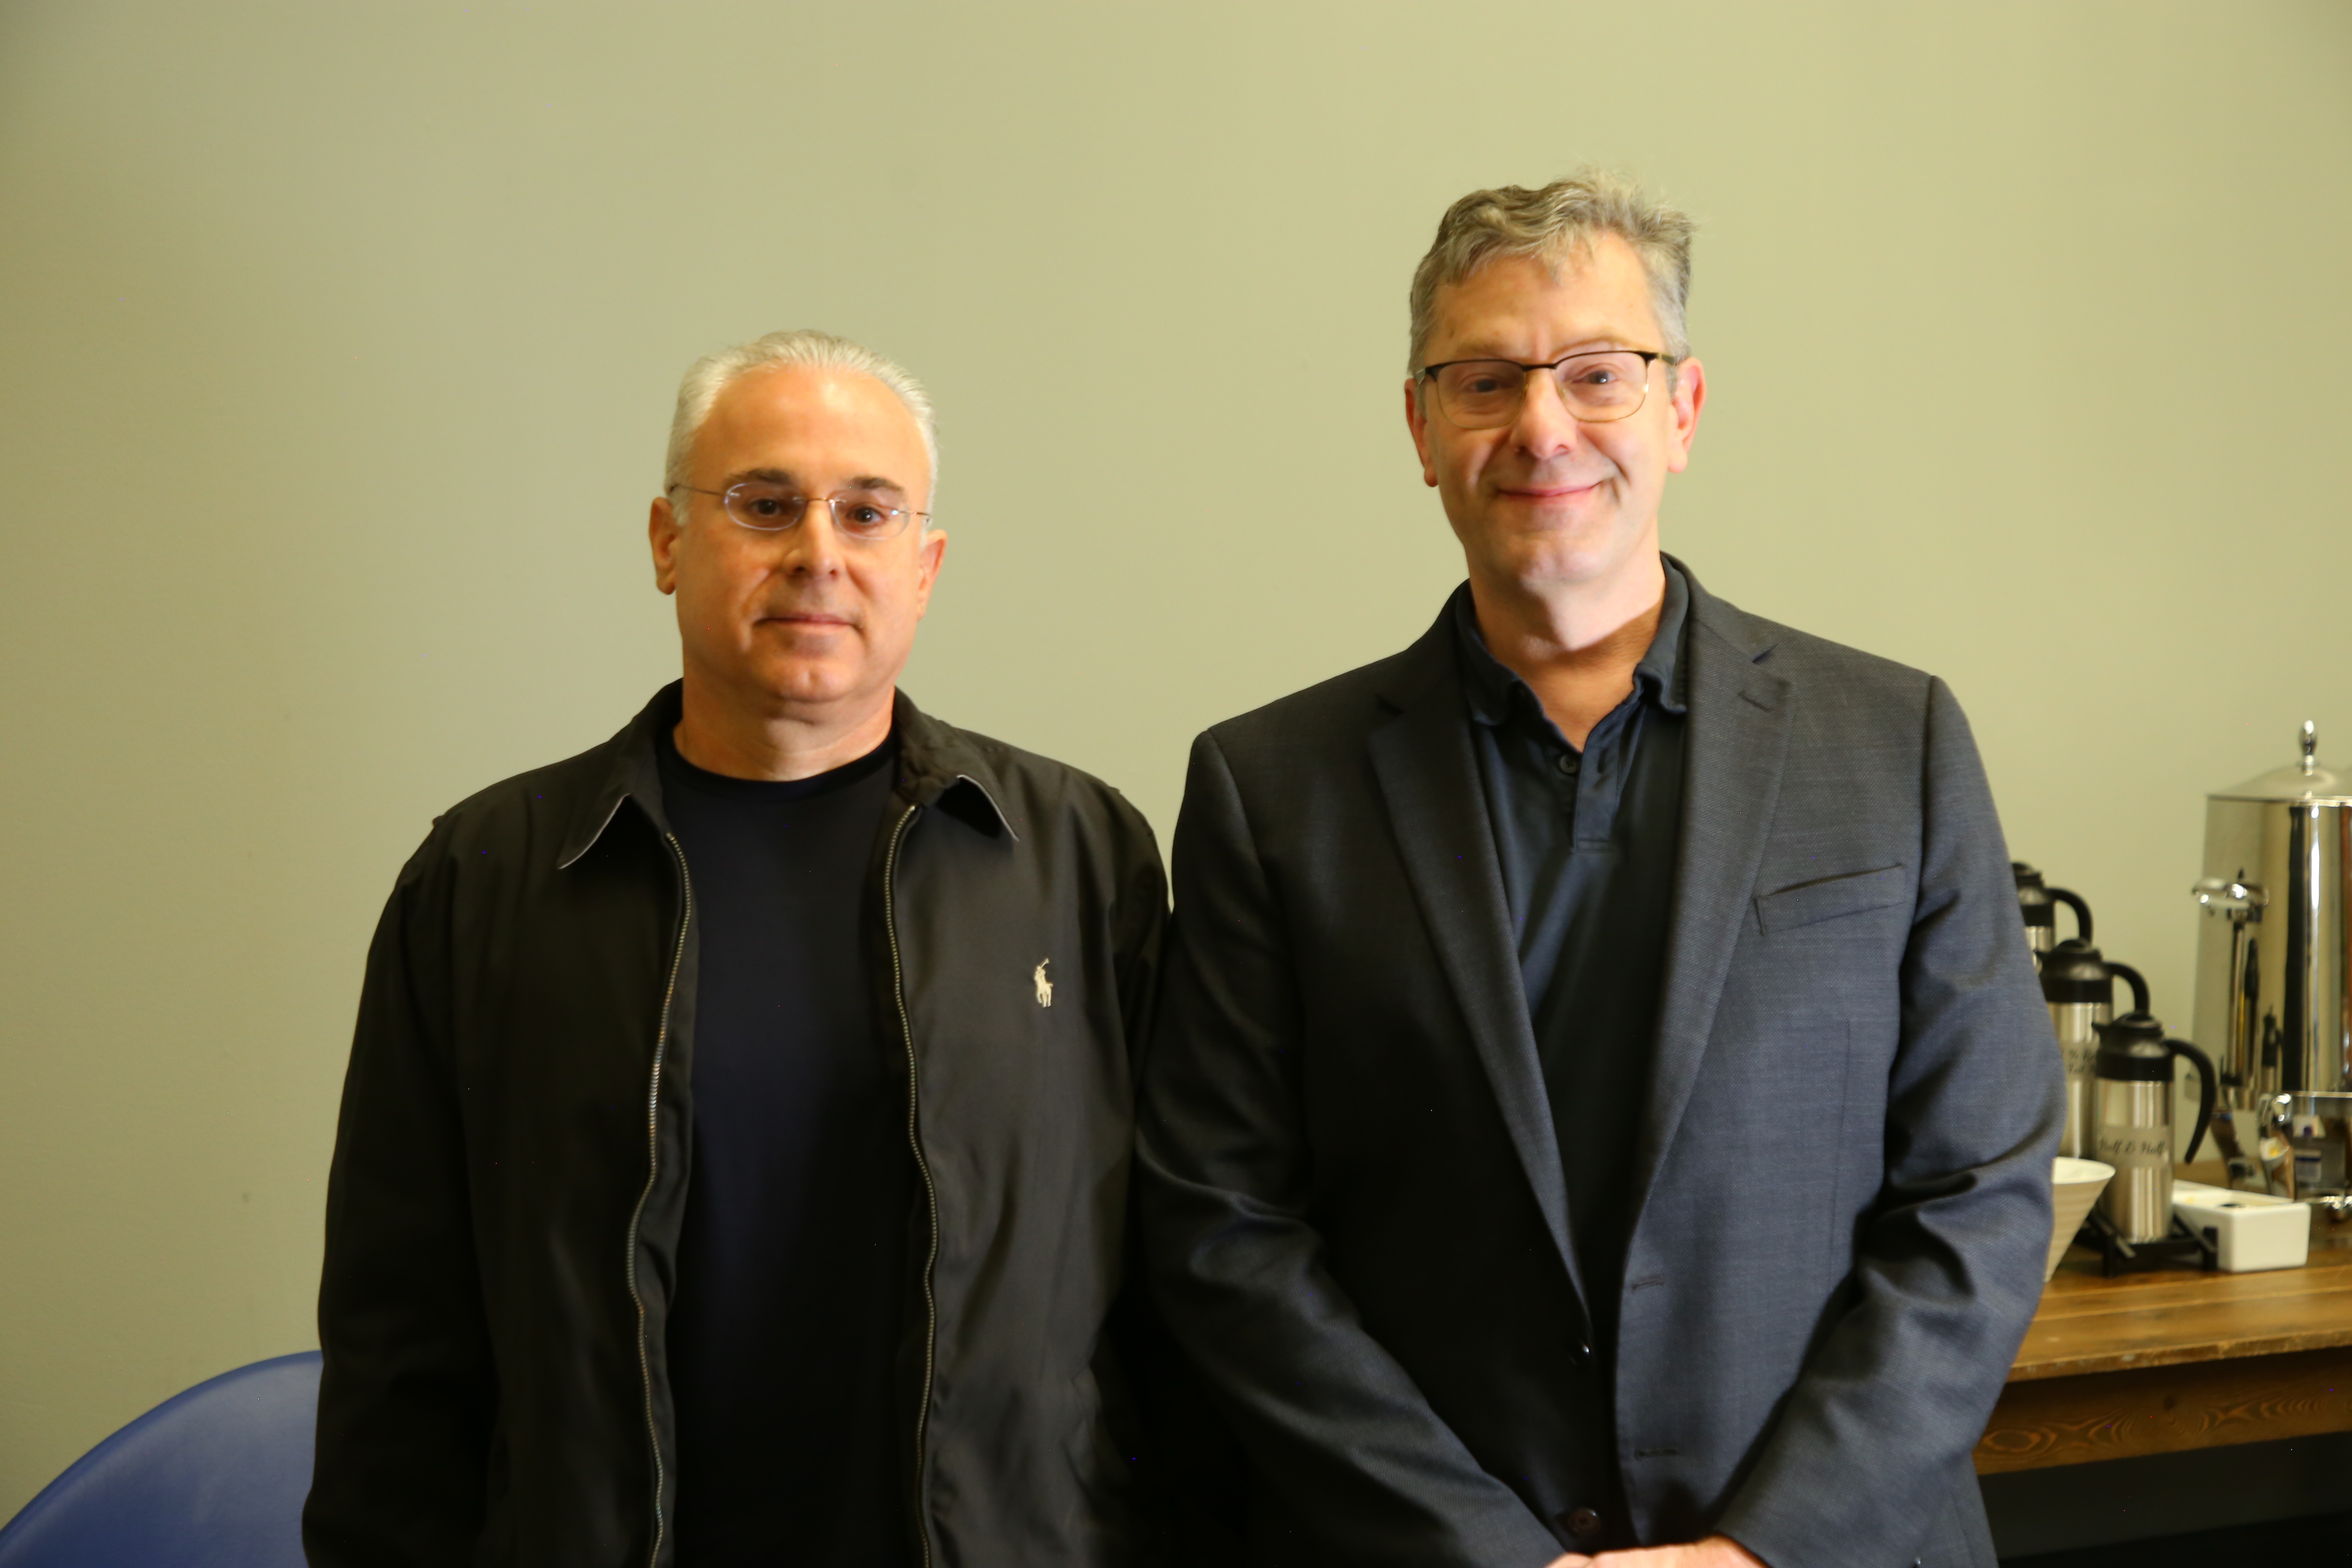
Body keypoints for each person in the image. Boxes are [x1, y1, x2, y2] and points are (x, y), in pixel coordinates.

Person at [1136, 174, 2061, 1568]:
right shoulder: (1271, 789)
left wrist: (1763, 1549)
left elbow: (1978, 1194)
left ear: (1682, 411)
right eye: (1487, 380)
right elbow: (1226, 1230)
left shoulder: (1895, 743)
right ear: (1421, 428)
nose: (1543, 427)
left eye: (1597, 374)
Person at [305, 330, 1169, 1567]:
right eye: (764, 504)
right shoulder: (489, 878)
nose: (819, 553)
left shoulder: (1077, 861)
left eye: (867, 513)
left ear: (924, 567)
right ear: (668, 542)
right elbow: (400, 1339)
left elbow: (1169, 1305)